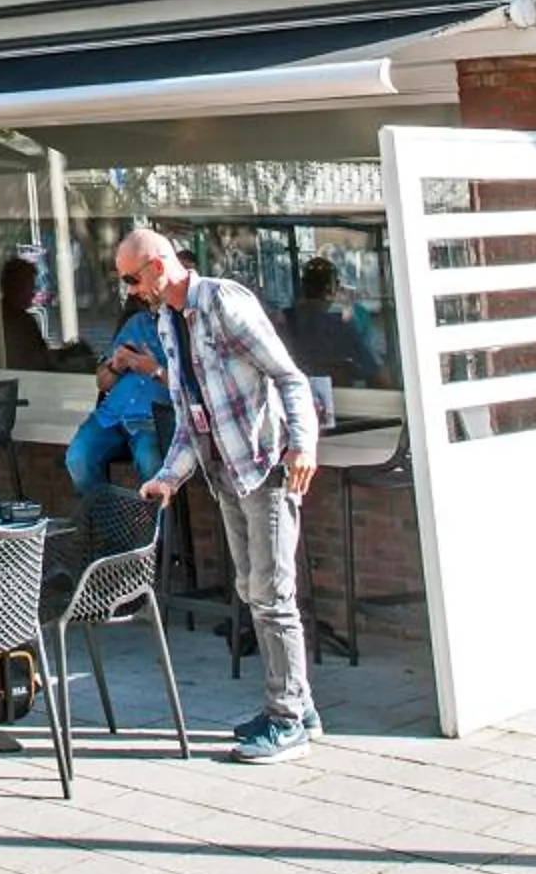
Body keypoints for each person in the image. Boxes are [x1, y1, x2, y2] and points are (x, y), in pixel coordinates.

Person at [119, 224, 319, 765]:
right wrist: (168, 476)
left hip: (266, 465)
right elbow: (191, 416)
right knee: (252, 589)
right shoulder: (166, 323)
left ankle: (286, 719)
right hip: (224, 472)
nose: (131, 291)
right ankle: (298, 704)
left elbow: (289, 377)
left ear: (158, 267)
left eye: (133, 279)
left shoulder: (223, 302)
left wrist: (302, 445)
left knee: (272, 592)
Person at [64, 287, 169, 493]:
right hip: (110, 416)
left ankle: (156, 525)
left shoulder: (186, 331)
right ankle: (105, 521)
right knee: (78, 458)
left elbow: (190, 386)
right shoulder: (137, 323)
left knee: (151, 462)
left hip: (151, 420)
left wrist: (154, 370)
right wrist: (116, 365)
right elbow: (102, 383)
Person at [282, 259, 391, 389]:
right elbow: (380, 380)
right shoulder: (340, 328)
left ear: (303, 286)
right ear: (332, 289)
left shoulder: (281, 322)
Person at [0, 256, 49, 370]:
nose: (33, 293)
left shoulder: (27, 320)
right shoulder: (0, 323)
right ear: (14, 286)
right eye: (29, 286)